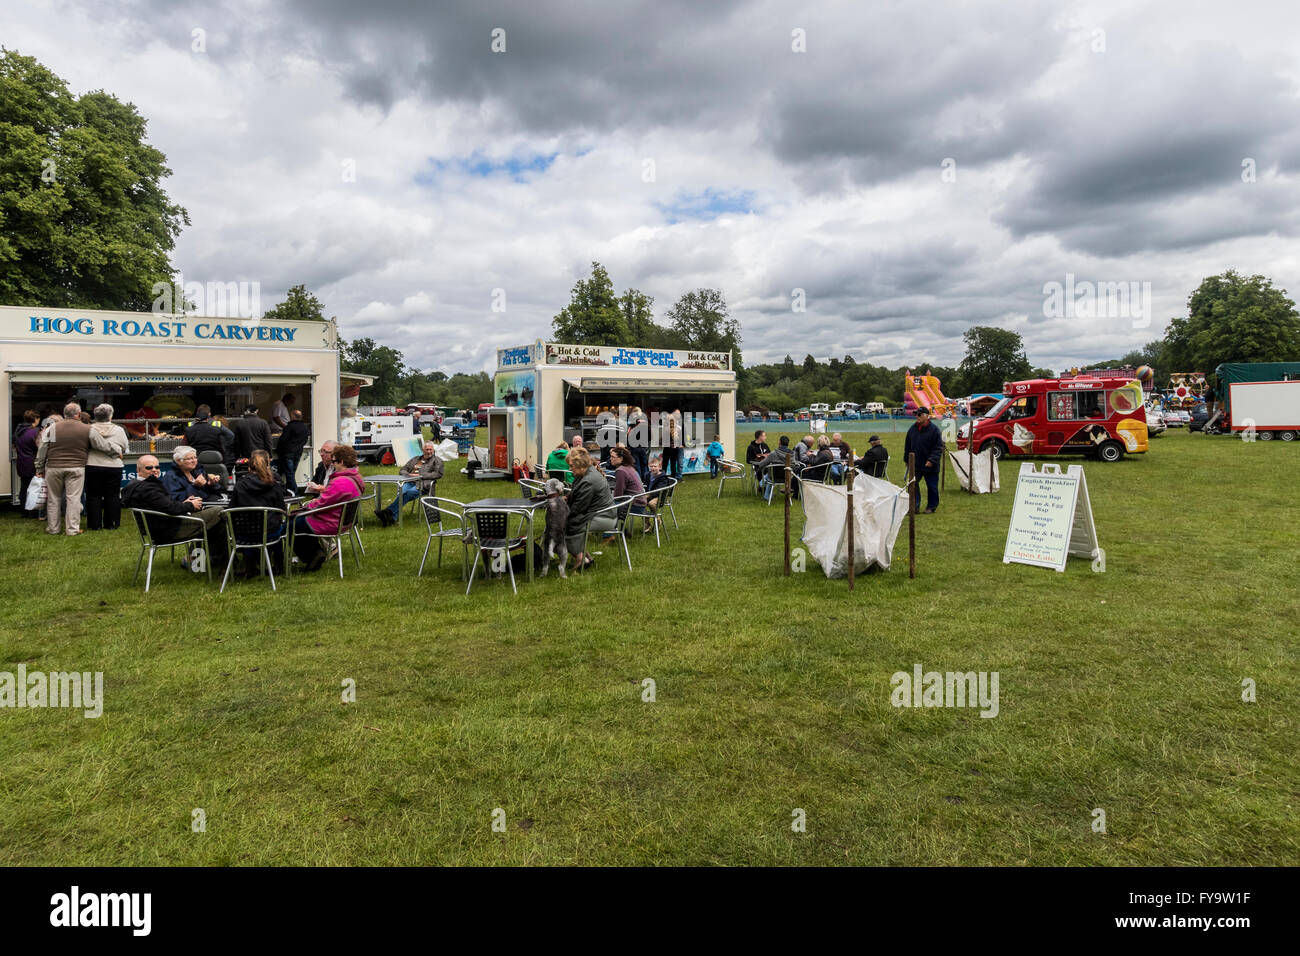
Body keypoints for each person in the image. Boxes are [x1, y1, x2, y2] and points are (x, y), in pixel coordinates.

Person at [122, 454, 228, 568]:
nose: (154, 470)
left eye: (157, 467)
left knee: (215, 523)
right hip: (169, 530)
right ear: (138, 470)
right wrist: (190, 505)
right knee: (220, 512)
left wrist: (184, 503)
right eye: (149, 468)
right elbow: (171, 508)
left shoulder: (137, 485)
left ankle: (207, 562)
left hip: (160, 527)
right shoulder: (150, 488)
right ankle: (225, 562)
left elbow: (165, 504)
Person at [292, 444, 364, 571]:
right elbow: (327, 501)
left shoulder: (341, 481)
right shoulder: (356, 477)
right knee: (297, 521)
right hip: (343, 521)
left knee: (292, 524)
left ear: (341, 461)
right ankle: (314, 553)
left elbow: (322, 503)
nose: (333, 465)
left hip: (330, 522)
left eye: (334, 461)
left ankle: (313, 556)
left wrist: (301, 509)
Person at [34, 402, 94, 535]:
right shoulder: (86, 428)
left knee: (53, 498)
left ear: (64, 414)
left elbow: (43, 448)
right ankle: (72, 529)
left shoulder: (53, 428)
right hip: (76, 466)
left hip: (54, 466)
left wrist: (39, 467)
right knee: (73, 498)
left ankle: (53, 528)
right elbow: (96, 445)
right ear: (78, 414)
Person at [231, 449, 290, 577]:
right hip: (270, 533)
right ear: (268, 466)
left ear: (248, 468)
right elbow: (281, 509)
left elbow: (232, 509)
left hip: (243, 534)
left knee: (251, 529)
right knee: (279, 528)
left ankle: (249, 566)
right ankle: (278, 565)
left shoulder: (240, 485)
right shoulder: (274, 484)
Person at [565, 446, 615, 571]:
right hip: (602, 514)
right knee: (567, 522)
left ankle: (580, 558)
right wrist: (565, 499)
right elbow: (576, 495)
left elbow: (578, 508)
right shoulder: (586, 473)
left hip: (604, 517)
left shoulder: (588, 480)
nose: (570, 469)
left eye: (572, 466)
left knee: (563, 525)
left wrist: (562, 516)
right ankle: (586, 557)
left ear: (581, 464)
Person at [376, 440, 443, 526]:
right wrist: (409, 475)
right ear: (423, 450)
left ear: (433, 450)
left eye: (430, 449)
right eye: (427, 449)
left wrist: (420, 475)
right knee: (402, 491)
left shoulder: (437, 460)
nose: (429, 451)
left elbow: (438, 474)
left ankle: (389, 512)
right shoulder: (415, 459)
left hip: (423, 484)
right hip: (409, 482)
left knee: (408, 493)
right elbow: (402, 470)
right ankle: (391, 517)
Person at [85, 404, 129, 531]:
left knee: (93, 495)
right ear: (111, 415)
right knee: (113, 495)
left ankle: (94, 524)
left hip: (92, 464)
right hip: (113, 465)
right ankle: (112, 523)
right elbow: (125, 447)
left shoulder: (89, 429)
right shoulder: (119, 430)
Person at [904, 406, 944, 514]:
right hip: (916, 464)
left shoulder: (934, 430)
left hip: (930, 465)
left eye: (919, 414)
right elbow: (907, 445)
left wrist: (931, 460)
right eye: (916, 414)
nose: (917, 416)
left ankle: (931, 507)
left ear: (927, 416)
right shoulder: (912, 429)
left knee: (932, 487)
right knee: (913, 485)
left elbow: (938, 448)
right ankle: (914, 506)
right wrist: (907, 459)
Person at [276, 409, 311, 494]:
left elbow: (282, 439)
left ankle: (295, 493)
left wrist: (279, 450)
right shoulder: (305, 427)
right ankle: (289, 491)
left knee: (289, 474)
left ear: (293, 416)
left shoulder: (290, 427)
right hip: (298, 452)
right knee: (291, 473)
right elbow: (305, 439)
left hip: (288, 452)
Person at [13, 410, 41, 518]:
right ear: (35, 419)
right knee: (34, 488)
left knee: (24, 487)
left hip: (21, 462)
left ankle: (23, 511)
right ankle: (33, 511)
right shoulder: (35, 432)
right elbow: (39, 447)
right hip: (32, 462)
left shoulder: (18, 431)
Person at [610, 445, 646, 520]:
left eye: (613, 457)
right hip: (640, 502)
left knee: (605, 507)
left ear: (621, 459)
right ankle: (619, 528)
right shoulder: (629, 467)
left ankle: (613, 529)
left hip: (635, 505)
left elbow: (618, 495)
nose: (610, 459)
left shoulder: (621, 471)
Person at [641, 455, 673, 533]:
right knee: (639, 503)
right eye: (651, 466)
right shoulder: (647, 475)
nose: (653, 468)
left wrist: (648, 495)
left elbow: (659, 490)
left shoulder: (663, 477)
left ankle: (657, 519)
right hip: (648, 494)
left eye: (655, 466)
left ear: (659, 466)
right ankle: (647, 522)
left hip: (660, 496)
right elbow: (645, 485)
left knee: (651, 504)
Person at [626, 406, 651, 483]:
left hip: (634, 447)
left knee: (637, 466)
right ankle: (646, 481)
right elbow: (650, 436)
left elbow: (628, 435)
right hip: (643, 447)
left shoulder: (631, 423)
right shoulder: (646, 422)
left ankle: (639, 482)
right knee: (644, 465)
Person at [662, 408, 683, 479]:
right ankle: (673, 477)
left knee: (665, 463)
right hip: (673, 448)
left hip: (669, 447)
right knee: (672, 463)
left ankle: (664, 477)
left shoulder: (666, 428)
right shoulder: (677, 428)